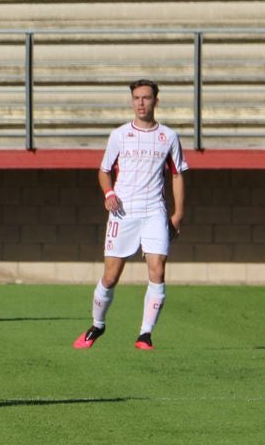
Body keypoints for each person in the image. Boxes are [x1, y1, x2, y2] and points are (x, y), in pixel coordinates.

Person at [73, 79, 188, 351]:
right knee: (111, 275)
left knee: (157, 269)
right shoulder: (120, 135)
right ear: (131, 101)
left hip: (154, 212)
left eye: (146, 98)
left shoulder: (168, 137)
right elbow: (104, 171)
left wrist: (178, 214)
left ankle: (145, 335)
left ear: (156, 101)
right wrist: (109, 194)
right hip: (123, 212)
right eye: (136, 98)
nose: (141, 103)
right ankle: (97, 326)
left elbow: (177, 175)